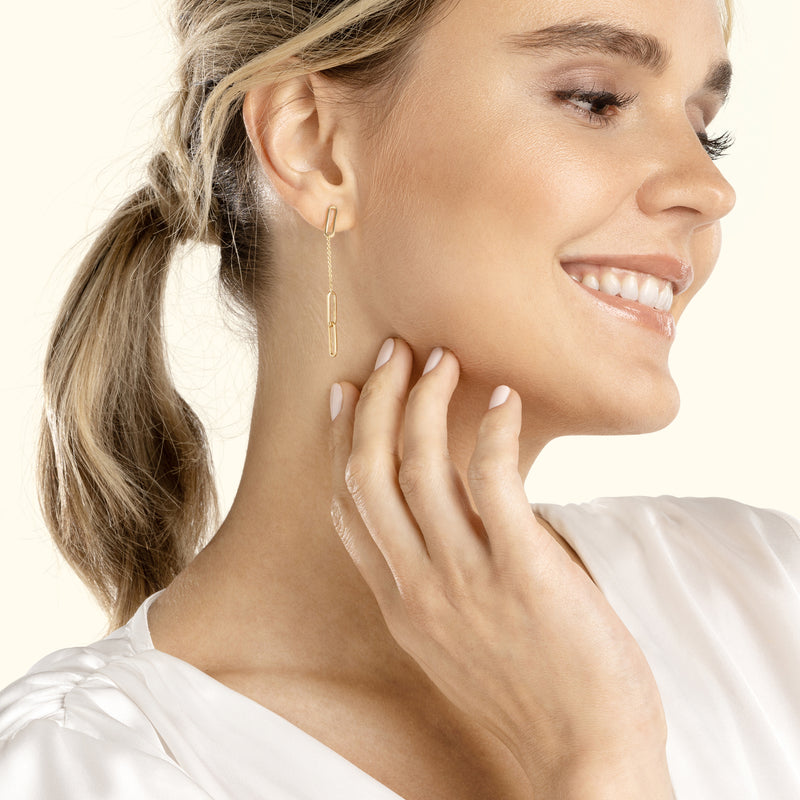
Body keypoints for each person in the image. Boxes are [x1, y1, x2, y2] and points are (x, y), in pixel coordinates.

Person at [1, 0, 798, 797]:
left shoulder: (769, 601)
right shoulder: (86, 770)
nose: (710, 188)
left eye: (705, 127)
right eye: (596, 99)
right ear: (314, 145)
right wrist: (594, 757)